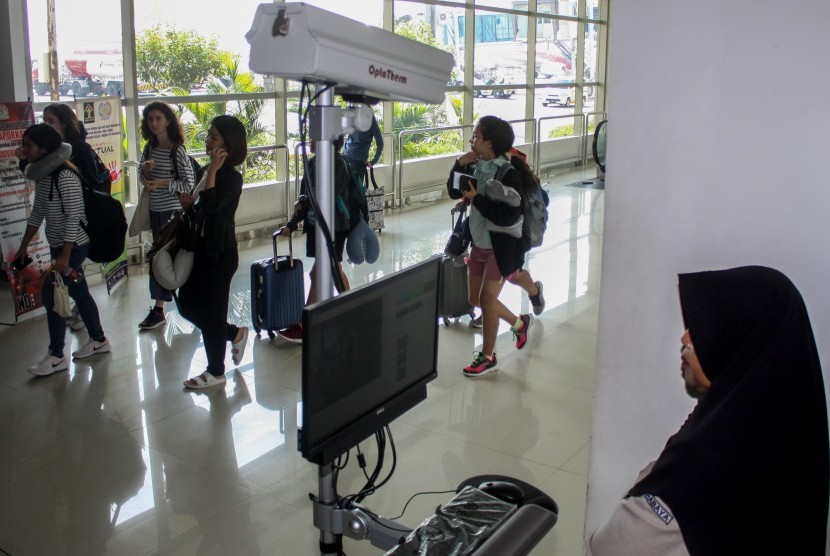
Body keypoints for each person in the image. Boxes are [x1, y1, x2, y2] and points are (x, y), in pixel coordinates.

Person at [586, 266, 829, 556]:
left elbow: (608, 547)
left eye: (707, 326)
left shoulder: (698, 474)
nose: (686, 338)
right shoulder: (792, 442)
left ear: (740, 346)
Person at [446, 116, 545, 377]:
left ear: (490, 143)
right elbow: (454, 192)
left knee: (488, 301)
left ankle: (488, 357)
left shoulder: (508, 174)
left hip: (501, 248)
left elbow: (509, 217)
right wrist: (459, 164)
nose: (472, 141)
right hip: (479, 243)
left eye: (476, 137)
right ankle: (519, 323)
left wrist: (477, 199)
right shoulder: (478, 167)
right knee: (474, 299)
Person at [13, 124, 111, 376]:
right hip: (61, 248)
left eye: (29, 146)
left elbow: (73, 217)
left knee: (51, 296)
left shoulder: (65, 177)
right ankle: (99, 340)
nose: (24, 150)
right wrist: (24, 245)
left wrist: (65, 255)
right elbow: (38, 213)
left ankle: (57, 356)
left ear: (44, 149)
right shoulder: (45, 175)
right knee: (79, 292)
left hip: (74, 246)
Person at [178, 115, 249, 389]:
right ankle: (234, 332)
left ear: (228, 145)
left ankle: (216, 371)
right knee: (186, 304)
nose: (208, 140)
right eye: (209, 135)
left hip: (220, 254)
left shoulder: (231, 177)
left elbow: (211, 207)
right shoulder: (206, 170)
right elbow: (199, 211)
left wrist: (214, 173)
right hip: (201, 249)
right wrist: (187, 206)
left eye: (214, 137)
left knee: (212, 311)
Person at [276, 136, 368, 344]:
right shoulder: (312, 163)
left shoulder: (338, 165)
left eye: (315, 136)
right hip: (315, 226)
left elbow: (327, 194)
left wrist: (305, 202)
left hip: (334, 227)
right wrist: (292, 223)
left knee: (319, 273)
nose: (310, 140)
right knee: (333, 269)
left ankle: (304, 325)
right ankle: (354, 310)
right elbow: (304, 200)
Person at [42, 103, 102, 332]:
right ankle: (96, 336)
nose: (47, 125)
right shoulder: (51, 154)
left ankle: (57, 351)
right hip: (60, 234)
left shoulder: (77, 150)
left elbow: (90, 184)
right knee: (78, 286)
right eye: (44, 120)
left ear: (64, 124)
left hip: (75, 233)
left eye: (51, 121)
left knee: (53, 290)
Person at [137, 101, 195, 331]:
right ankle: (159, 307)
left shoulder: (177, 150)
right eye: (150, 119)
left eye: (158, 118)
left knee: (171, 257)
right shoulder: (149, 147)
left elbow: (188, 183)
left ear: (168, 121)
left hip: (174, 213)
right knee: (159, 258)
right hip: (156, 211)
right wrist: (146, 173)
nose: (154, 123)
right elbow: (143, 177)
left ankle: (172, 304)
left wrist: (162, 183)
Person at [343, 112, 384, 180]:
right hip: (357, 161)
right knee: (355, 189)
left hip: (346, 156)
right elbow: (380, 143)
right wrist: (373, 162)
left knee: (344, 188)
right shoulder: (369, 118)